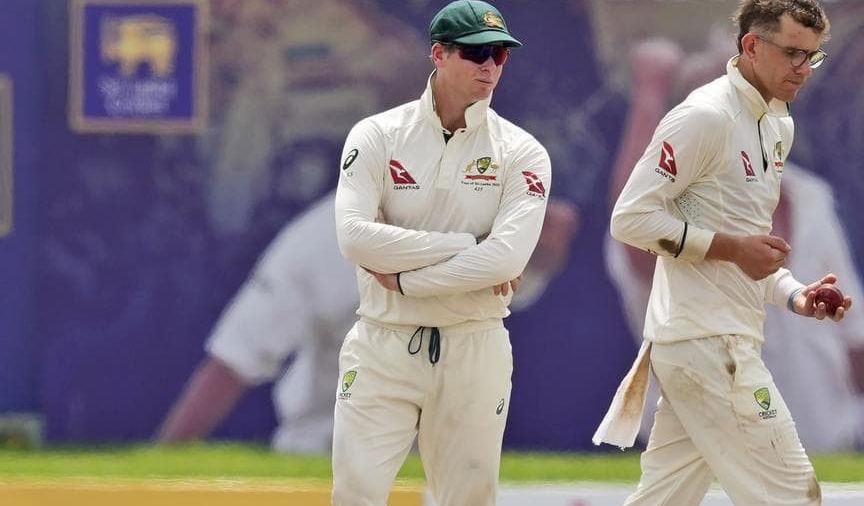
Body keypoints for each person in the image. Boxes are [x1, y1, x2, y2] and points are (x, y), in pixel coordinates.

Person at [527, 0, 864, 506]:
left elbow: (751, 253)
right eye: (792, 55)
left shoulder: (774, 128)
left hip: (722, 339)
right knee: (791, 496)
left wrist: (797, 294)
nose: (804, 70)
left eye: (814, 58)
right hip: (703, 345)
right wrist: (730, 249)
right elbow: (630, 221)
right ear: (750, 47)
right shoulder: (703, 117)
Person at [331, 0, 551, 506]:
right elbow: (352, 237)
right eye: (476, 53)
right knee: (356, 494)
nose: (491, 67)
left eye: (500, 55)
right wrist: (462, 248)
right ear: (438, 54)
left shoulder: (521, 151)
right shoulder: (378, 135)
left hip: (475, 343)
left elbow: (509, 260)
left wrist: (409, 278)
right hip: (382, 343)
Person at [605, 36, 864, 453]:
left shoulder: (811, 198)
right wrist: (650, 91)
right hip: (708, 478)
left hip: (830, 464)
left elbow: (857, 335)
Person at [153, 192, 578, 454]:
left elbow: (526, 277)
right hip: (326, 460)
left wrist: (539, 249)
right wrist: (155, 475)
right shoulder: (330, 239)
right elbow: (235, 360)